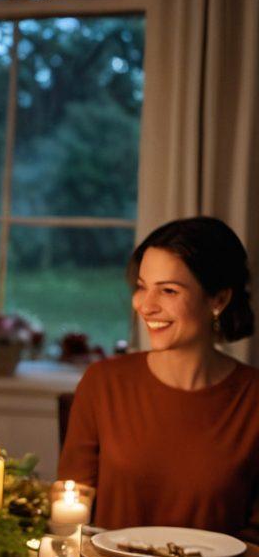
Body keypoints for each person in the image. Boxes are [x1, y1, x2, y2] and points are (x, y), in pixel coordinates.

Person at [58, 216, 259, 534]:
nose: (145, 306)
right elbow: (69, 518)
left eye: (168, 290)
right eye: (141, 287)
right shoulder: (104, 383)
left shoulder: (252, 399)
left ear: (218, 300)